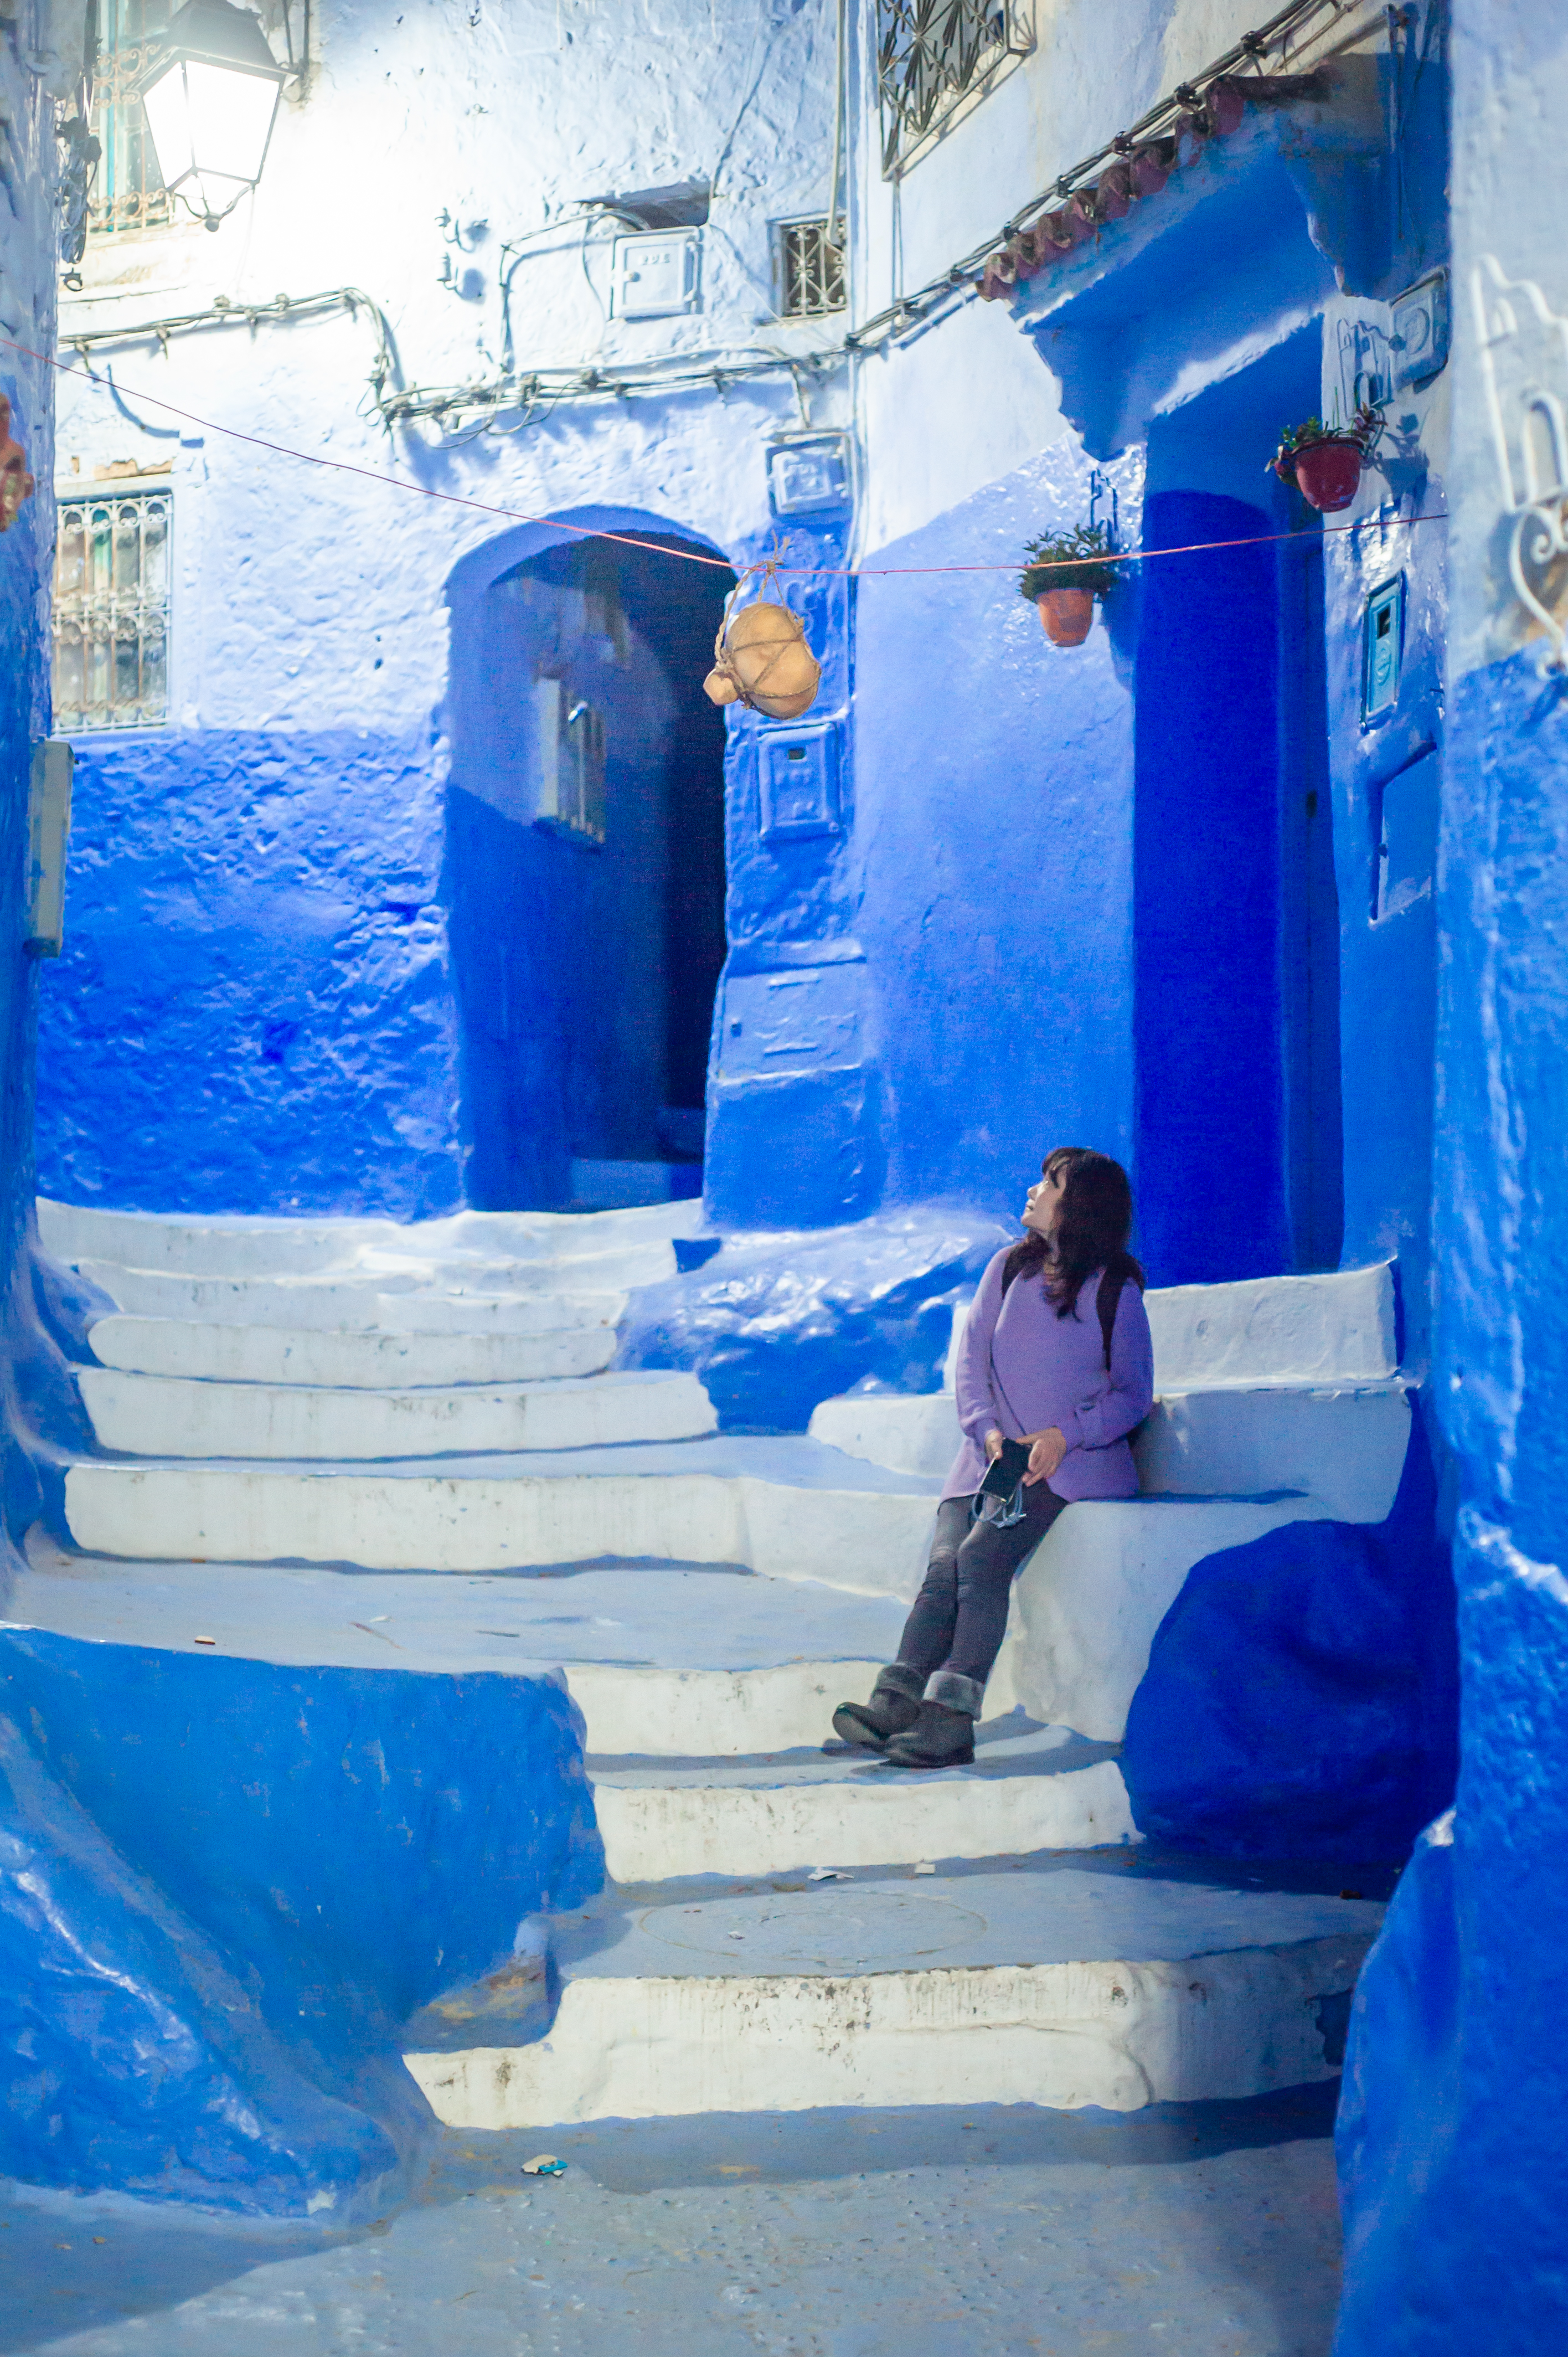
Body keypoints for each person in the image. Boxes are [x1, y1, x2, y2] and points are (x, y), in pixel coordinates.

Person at [833, 1147, 1154, 1770]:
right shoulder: (1008, 1268)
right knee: (944, 1565)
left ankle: (952, 1717)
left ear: (1080, 1205)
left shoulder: (1116, 1289)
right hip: (989, 1457)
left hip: (1064, 1465)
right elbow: (971, 1362)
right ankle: (896, 1701)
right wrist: (985, 1433)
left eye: (1050, 1184)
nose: (1033, 1191)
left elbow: (1133, 1394)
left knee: (982, 1557)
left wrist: (1065, 1435)